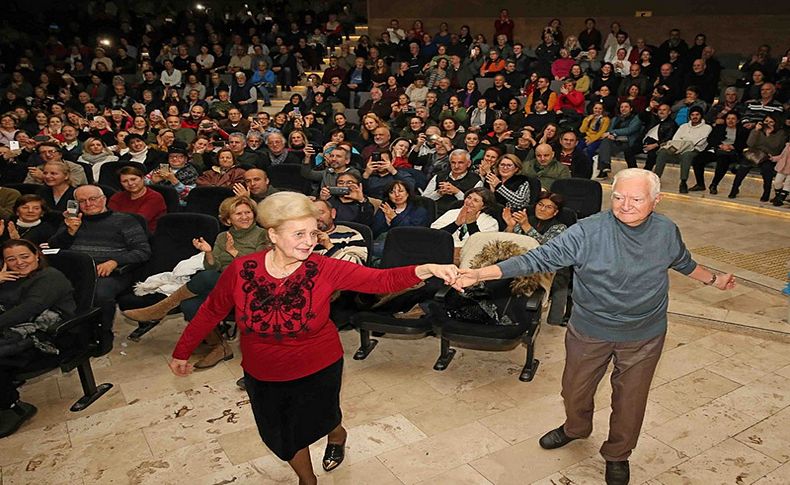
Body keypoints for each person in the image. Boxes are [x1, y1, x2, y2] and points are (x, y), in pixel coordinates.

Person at [453, 169, 736, 485]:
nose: (625, 205)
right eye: (618, 197)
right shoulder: (587, 232)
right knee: (574, 390)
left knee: (631, 401)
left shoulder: (666, 230)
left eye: (636, 198)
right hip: (590, 330)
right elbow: (538, 259)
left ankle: (617, 454)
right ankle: (576, 427)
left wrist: (715, 279)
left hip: (644, 334)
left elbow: (682, 261)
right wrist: (480, 274)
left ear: (657, 200)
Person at [168, 192, 458, 485]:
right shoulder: (241, 270)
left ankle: (337, 432)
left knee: (322, 417)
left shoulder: (324, 268)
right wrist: (183, 351)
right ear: (273, 235)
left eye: (313, 233)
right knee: (282, 435)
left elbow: (379, 280)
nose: (310, 241)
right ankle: (309, 481)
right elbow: (211, 311)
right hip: (263, 371)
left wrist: (427, 268)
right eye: (299, 234)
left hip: (318, 366)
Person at [126, 196, 268, 368]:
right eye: (238, 214)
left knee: (206, 278)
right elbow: (212, 266)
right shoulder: (223, 236)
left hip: (252, 285)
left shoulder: (263, 235)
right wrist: (208, 253)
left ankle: (162, 308)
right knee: (190, 305)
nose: (245, 217)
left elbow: (259, 268)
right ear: (228, 219)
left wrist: (234, 252)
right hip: (224, 284)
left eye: (248, 212)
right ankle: (219, 346)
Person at [48, 184, 151, 355]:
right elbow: (53, 249)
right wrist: (69, 232)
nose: (88, 204)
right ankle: (66, 335)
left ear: (104, 199)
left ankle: (101, 336)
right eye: (82, 201)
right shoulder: (73, 222)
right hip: (76, 271)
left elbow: (143, 251)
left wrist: (114, 261)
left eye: (93, 199)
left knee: (99, 294)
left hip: (110, 272)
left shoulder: (125, 220)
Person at [0, 239, 77, 438]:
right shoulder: (9, 279)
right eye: (11, 259)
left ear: (37, 255)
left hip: (46, 337)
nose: (19, 263)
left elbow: (27, 310)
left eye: (24, 256)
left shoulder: (50, 277)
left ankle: (12, 407)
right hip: (15, 330)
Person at [502, 192, 570, 324]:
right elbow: (506, 243)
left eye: (548, 207)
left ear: (555, 212)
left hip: (548, 266)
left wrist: (526, 226)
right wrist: (510, 226)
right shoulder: (525, 219)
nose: (542, 209)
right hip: (520, 261)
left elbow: (546, 249)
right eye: (540, 204)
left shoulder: (560, 227)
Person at [728, 114, 788, 201]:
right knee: (742, 168)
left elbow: (775, 146)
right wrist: (756, 131)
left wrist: (769, 134)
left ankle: (766, 192)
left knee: (767, 170)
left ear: (776, 123)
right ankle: (734, 189)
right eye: (766, 121)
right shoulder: (758, 130)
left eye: (771, 122)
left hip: (769, 156)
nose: (768, 123)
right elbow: (750, 143)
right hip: (754, 154)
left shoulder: (780, 133)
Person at [653, 106, 712, 192]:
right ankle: (656, 179)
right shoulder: (683, 126)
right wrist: (684, 143)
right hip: (679, 148)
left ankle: (683, 182)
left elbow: (699, 142)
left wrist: (685, 141)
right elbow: (675, 139)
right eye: (692, 115)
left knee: (686, 155)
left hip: (695, 150)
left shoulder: (707, 127)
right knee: (663, 152)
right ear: (689, 116)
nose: (694, 117)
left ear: (701, 116)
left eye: (697, 114)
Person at [689, 112, 749, 194]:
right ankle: (700, 184)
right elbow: (710, 139)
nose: (730, 121)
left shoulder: (743, 131)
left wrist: (732, 147)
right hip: (718, 149)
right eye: (728, 119)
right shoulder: (719, 128)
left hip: (731, 153)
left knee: (723, 160)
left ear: (737, 121)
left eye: (733, 119)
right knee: (697, 159)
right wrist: (720, 145)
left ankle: (714, 185)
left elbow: (744, 143)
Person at [431, 187, 499, 249]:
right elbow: (434, 236)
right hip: (443, 250)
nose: (469, 202)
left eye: (475, 200)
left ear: (484, 206)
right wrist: (456, 224)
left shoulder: (490, 222)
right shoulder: (451, 213)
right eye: (469, 197)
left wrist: (471, 224)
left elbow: (482, 246)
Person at [422, 149, 483, 215]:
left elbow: (475, 205)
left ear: (468, 164)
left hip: (459, 215)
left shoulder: (476, 181)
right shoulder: (439, 176)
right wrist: (439, 193)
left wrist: (457, 192)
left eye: (460, 163)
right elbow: (424, 199)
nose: (456, 166)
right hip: (435, 212)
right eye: (453, 163)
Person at [108, 166, 167, 232]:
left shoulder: (155, 197)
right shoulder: (117, 197)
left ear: (142, 178)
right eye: (125, 181)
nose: (130, 183)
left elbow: (138, 221)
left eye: (133, 179)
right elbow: (109, 218)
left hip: (145, 235)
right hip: (118, 233)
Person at [595, 101, 643, 179]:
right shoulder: (615, 119)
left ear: (631, 109)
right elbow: (610, 130)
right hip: (616, 141)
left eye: (626, 107)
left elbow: (629, 130)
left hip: (627, 142)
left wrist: (613, 133)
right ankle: (605, 166)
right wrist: (611, 135)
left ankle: (603, 169)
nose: (623, 109)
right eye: (621, 107)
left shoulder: (636, 118)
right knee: (605, 142)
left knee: (605, 145)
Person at [312, 199, 368, 264]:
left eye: (321, 212)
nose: (317, 218)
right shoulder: (303, 237)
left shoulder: (351, 235)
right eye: (312, 214)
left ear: (333, 213)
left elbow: (356, 266)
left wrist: (329, 246)